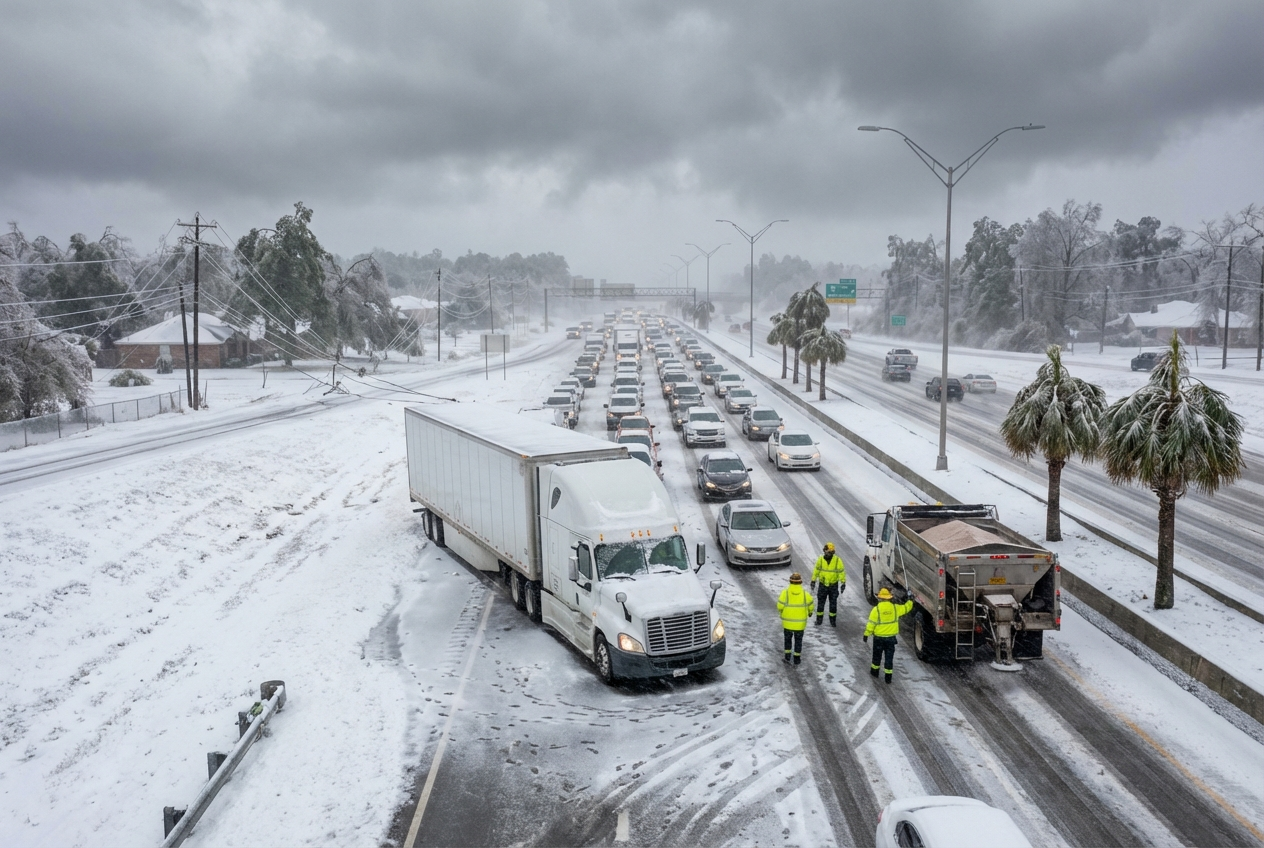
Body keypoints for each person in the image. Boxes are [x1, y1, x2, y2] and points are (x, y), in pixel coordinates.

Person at [864, 586, 914, 684]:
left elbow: (871, 624)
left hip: (878, 639)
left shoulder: (876, 610)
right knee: (889, 657)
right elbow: (906, 608)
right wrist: (910, 600)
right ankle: (888, 677)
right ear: (889, 598)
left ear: (880, 598)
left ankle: (875, 672)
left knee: (876, 656)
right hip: (891, 639)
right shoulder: (895, 608)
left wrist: (866, 634)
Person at [777, 572, 814, 666]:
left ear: (790, 581)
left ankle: (787, 657)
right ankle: (797, 659)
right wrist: (810, 612)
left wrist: (782, 612)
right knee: (798, 641)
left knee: (787, 640)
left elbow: (780, 606)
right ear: (800, 582)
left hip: (787, 623)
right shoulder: (805, 594)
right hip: (800, 625)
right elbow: (811, 606)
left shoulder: (785, 593)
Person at [811, 542, 846, 626]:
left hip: (833, 585)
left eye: (830, 552)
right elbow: (816, 570)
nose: (828, 554)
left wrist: (843, 582)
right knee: (820, 604)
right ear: (824, 551)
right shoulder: (820, 560)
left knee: (833, 604)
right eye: (827, 551)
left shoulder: (837, 560)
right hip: (823, 585)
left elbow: (841, 572)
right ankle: (819, 620)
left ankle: (832, 621)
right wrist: (813, 580)